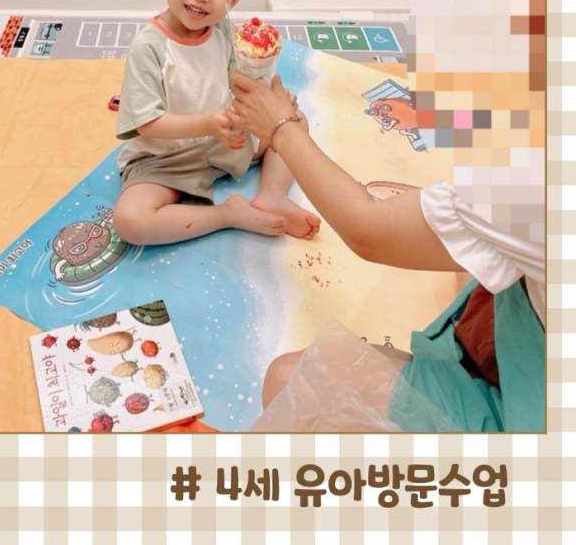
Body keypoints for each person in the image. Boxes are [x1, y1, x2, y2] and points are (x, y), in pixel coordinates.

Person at [226, 71, 545, 432]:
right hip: (521, 352)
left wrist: (281, 128)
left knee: (293, 382)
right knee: (469, 258)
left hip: (525, 410)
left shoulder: (530, 194)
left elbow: (366, 229)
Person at [113, 0, 320, 246]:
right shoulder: (148, 46)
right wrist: (208, 124)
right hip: (166, 157)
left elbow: (237, 82)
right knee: (131, 222)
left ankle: (271, 194)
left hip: (227, 141)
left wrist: (269, 102)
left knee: (293, 122)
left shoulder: (223, 28)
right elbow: (147, 123)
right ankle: (228, 214)